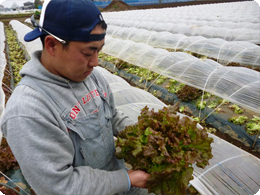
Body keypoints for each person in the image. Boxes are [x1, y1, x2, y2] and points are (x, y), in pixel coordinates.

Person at [0, 0, 152, 194]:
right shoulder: (28, 111)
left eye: (99, 50)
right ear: (52, 45)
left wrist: (145, 135)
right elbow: (60, 186)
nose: (95, 62)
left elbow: (112, 116)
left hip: (124, 186)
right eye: (88, 52)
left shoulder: (93, 77)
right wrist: (127, 179)